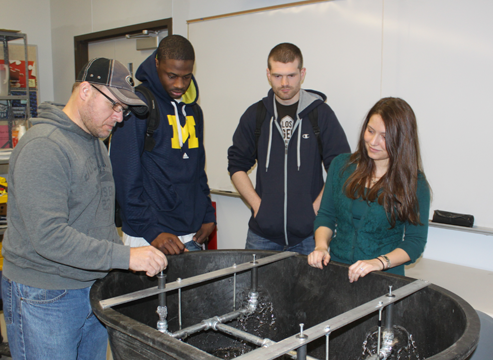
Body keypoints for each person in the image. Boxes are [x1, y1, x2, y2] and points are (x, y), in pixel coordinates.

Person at [1, 57, 168, 360]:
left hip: (89, 289)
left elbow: (98, 219)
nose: (119, 117)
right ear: (86, 91)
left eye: (124, 109)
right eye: (114, 105)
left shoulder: (94, 139)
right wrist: (127, 257)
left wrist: (120, 265)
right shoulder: (43, 147)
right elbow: (49, 236)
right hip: (45, 297)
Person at [227, 42, 350, 255]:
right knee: (257, 289)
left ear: (302, 73)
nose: (284, 83)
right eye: (277, 76)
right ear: (268, 74)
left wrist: (316, 209)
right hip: (262, 237)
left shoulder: (320, 114)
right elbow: (236, 165)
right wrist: (258, 206)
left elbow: (341, 168)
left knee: (308, 290)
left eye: (291, 75)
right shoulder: (255, 115)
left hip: (310, 236)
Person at [109, 35, 215, 255]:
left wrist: (206, 214)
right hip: (149, 236)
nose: (179, 85)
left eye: (186, 77)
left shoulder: (193, 109)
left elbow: (197, 169)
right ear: (157, 63)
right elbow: (124, 178)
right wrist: (152, 231)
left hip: (191, 232)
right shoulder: (138, 106)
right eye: (172, 76)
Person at [308, 97, 431, 282]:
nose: (373, 142)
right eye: (370, 131)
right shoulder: (341, 165)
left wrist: (378, 262)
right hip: (337, 273)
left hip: (383, 279)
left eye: (384, 137)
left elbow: (415, 242)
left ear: (402, 140)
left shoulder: (414, 183)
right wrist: (321, 247)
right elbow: (326, 216)